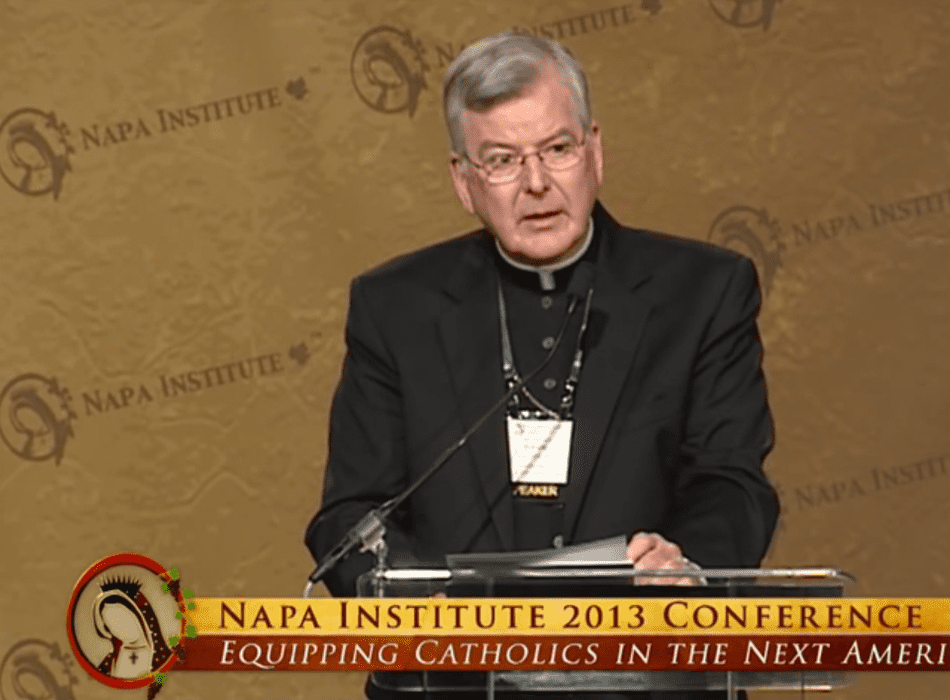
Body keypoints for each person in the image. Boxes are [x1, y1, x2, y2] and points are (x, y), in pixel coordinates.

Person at [306, 27, 777, 630]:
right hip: (455, 663)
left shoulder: (703, 292)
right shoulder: (396, 307)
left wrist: (686, 566)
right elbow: (350, 514)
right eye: (502, 160)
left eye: (557, 149)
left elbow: (732, 482)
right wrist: (425, 606)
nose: (536, 184)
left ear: (595, 151)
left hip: (643, 654)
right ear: (463, 181)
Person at [91, 578, 172, 679]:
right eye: (111, 623)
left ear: (139, 615)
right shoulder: (108, 664)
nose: (119, 627)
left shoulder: (164, 659)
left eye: (122, 617)